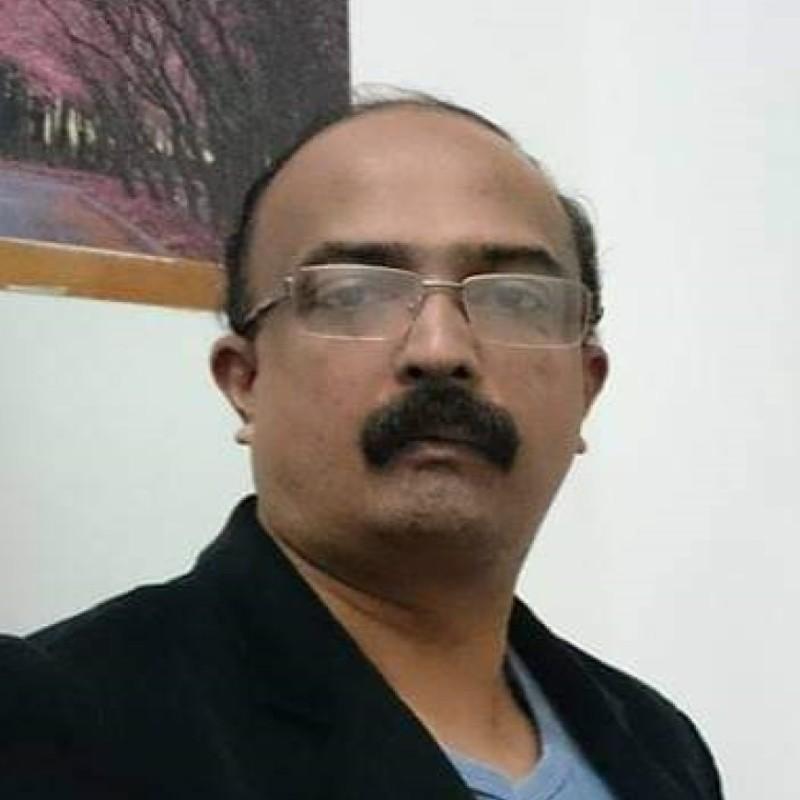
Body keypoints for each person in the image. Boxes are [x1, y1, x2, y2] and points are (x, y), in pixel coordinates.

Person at [0, 91, 724, 799]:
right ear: (245, 380)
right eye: (353, 294)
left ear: (586, 388)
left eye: (515, 298)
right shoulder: (57, 724)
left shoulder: (659, 743)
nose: (440, 349)